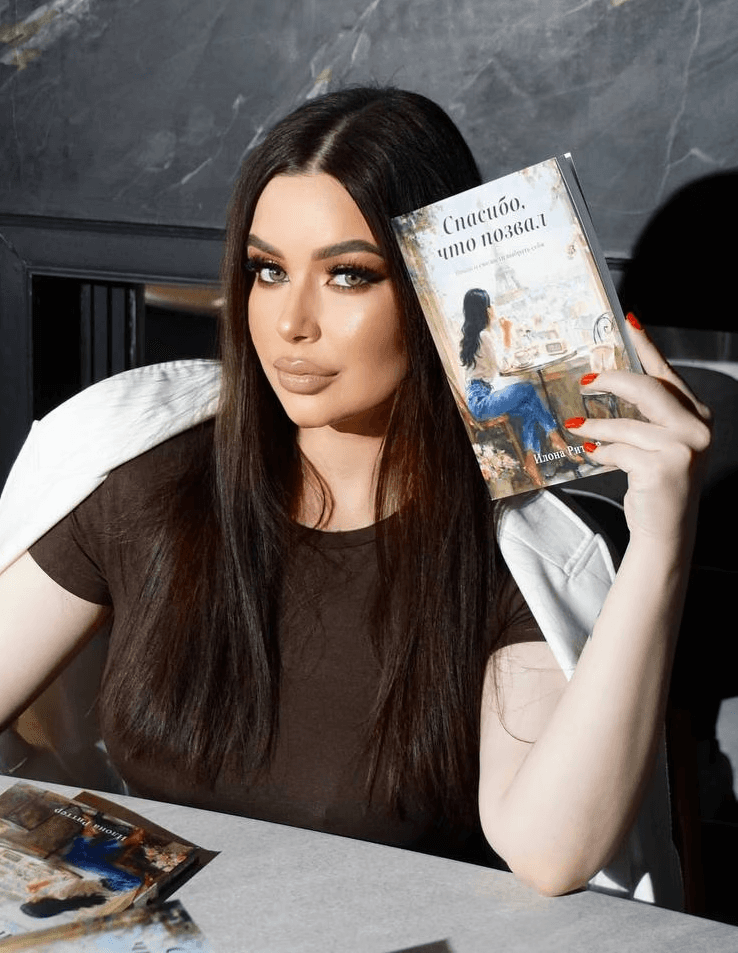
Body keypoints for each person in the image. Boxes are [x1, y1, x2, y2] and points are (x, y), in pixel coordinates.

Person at [0, 87, 710, 903]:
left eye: (347, 275)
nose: (289, 322)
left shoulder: (510, 546)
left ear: (435, 290)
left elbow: (552, 854)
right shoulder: (148, 477)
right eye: (267, 270)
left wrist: (660, 540)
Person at [461, 286, 577, 485]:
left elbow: (496, 367)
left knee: (529, 409)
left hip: (478, 399)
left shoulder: (474, 337)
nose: (492, 309)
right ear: (485, 310)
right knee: (528, 389)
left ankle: (531, 461)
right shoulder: (484, 336)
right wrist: (506, 331)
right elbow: (502, 366)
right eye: (489, 305)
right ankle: (555, 436)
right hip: (482, 401)